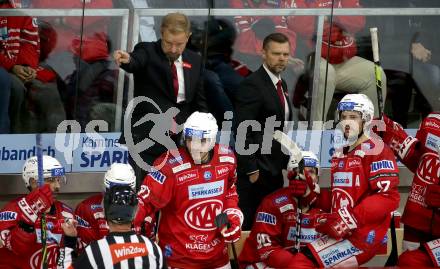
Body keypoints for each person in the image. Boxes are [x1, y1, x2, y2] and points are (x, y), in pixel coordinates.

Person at [134, 112, 243, 268]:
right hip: (179, 259)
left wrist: (233, 216)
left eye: (202, 141)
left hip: (218, 257)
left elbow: (230, 192)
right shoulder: (168, 165)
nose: (195, 146)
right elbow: (145, 203)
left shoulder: (227, 158)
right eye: (190, 139)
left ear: (213, 140)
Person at [303, 94, 400, 267]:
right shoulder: (340, 152)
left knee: (302, 262)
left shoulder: (377, 150)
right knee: (296, 255)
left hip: (362, 236)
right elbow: (341, 196)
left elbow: (388, 198)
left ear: (367, 120)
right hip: (342, 231)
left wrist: (348, 219)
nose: (346, 122)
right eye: (343, 117)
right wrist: (311, 194)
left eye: (353, 117)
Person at [114, 12, 208, 187]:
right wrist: (128, 60)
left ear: (188, 37)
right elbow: (136, 61)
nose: (173, 49)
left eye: (179, 44)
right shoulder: (148, 50)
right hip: (146, 139)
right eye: (168, 43)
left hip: (179, 141)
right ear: (161, 33)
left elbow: (199, 102)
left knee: (173, 195)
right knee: (143, 191)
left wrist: (203, 131)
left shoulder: (195, 60)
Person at [288, 0, 387, 122]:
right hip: (312, 57)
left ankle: (368, 131)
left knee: (376, 73)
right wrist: (337, 22)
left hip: (342, 58)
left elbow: (358, 21)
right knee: (326, 73)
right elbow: (302, 26)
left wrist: (328, 17)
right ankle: (316, 131)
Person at [233, 32, 294, 230]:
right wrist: (252, 169)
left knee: (268, 226)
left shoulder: (281, 84)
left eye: (285, 54)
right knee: (250, 225)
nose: (281, 58)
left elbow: (279, 127)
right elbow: (242, 129)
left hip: (274, 169)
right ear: (263, 53)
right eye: (276, 54)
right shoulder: (252, 84)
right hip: (256, 173)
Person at [239, 151, 327, 268]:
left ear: (318, 177)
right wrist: (299, 265)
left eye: (311, 172)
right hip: (265, 262)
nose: (305, 177)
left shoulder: (326, 201)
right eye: (299, 172)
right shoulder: (273, 203)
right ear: (290, 175)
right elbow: (266, 249)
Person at [375, 113, 440, 267]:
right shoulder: (432, 121)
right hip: (416, 216)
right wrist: (389, 132)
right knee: (408, 263)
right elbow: (416, 159)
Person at [62, 185, 166, 268]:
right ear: (135, 214)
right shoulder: (153, 249)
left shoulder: (95, 251)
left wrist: (69, 242)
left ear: (105, 213)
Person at [0, 0, 65, 133]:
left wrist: (26, 66)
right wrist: (12, 67)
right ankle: (14, 142)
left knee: (49, 87)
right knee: (15, 88)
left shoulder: (17, 9)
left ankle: (59, 141)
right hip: (6, 68)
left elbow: (29, 41)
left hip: (17, 66)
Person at [0, 155, 73, 269]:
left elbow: (68, 257)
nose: (58, 186)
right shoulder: (12, 210)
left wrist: (71, 239)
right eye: (51, 180)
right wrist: (29, 218)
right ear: (33, 181)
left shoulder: (65, 212)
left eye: (58, 180)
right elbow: (16, 249)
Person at [74, 163, 137, 249]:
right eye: (114, 190)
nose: (119, 196)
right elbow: (86, 250)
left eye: (125, 190)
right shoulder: (86, 208)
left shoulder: (143, 208)